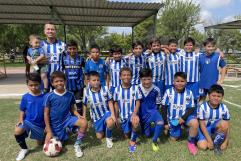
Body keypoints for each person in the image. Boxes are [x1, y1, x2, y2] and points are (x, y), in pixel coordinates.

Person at [44, 71, 88, 158]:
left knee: (84, 123)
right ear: (52, 83)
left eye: (61, 81)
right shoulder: (49, 96)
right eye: (56, 81)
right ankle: (68, 131)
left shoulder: (70, 94)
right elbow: (46, 114)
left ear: (65, 81)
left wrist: (78, 115)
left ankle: (77, 145)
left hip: (67, 119)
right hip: (55, 124)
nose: (59, 83)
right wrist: (49, 130)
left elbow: (72, 109)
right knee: (56, 143)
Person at [161, 72, 199, 155]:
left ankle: (191, 142)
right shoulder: (168, 92)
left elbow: (191, 108)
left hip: (184, 118)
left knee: (195, 123)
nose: (180, 83)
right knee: (174, 139)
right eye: (177, 81)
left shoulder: (189, 93)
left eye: (182, 81)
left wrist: (183, 118)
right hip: (173, 119)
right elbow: (163, 108)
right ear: (173, 82)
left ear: (186, 82)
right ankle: (171, 129)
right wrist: (165, 123)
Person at [14, 73, 45, 161]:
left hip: (40, 125)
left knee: (39, 144)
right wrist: (21, 119)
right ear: (27, 85)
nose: (33, 87)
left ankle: (41, 135)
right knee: (17, 131)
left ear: (40, 83)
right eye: (31, 85)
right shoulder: (25, 97)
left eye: (36, 85)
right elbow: (22, 110)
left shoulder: (45, 96)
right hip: (28, 121)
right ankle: (24, 149)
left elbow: (48, 112)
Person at [82, 71, 116, 148]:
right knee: (99, 137)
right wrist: (84, 116)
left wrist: (113, 115)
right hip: (96, 117)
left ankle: (108, 137)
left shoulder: (105, 89)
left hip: (106, 113)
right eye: (94, 80)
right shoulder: (86, 92)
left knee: (110, 122)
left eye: (98, 80)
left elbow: (110, 101)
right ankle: (103, 127)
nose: (96, 82)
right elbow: (84, 104)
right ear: (89, 82)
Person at [113, 67, 140, 153]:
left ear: (131, 77)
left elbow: (138, 102)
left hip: (132, 115)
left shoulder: (135, 88)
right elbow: (116, 104)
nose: (126, 77)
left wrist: (134, 114)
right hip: (123, 116)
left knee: (135, 122)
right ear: (120, 77)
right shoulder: (117, 89)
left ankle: (132, 142)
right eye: (124, 75)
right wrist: (116, 117)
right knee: (126, 136)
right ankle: (129, 131)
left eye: (128, 75)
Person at [197, 84, 230, 155]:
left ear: (222, 97)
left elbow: (227, 126)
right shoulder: (202, 107)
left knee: (224, 123)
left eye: (219, 96)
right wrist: (209, 141)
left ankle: (217, 143)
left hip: (215, 128)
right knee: (203, 146)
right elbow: (202, 126)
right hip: (205, 128)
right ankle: (205, 138)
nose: (216, 98)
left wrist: (225, 141)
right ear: (209, 96)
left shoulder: (224, 108)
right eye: (213, 96)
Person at [138, 68, 164, 152]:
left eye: (149, 79)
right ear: (140, 79)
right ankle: (151, 127)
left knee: (160, 122)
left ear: (152, 78)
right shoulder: (136, 88)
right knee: (147, 135)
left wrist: (154, 113)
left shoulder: (156, 89)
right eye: (144, 79)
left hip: (152, 112)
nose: (147, 82)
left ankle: (154, 141)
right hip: (142, 115)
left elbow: (158, 103)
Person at [199, 38, 226, 103]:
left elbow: (224, 66)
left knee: (213, 101)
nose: (211, 48)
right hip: (202, 83)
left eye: (213, 46)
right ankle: (200, 112)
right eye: (209, 46)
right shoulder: (200, 56)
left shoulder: (217, 56)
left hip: (213, 84)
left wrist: (221, 79)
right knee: (201, 100)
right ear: (204, 47)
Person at [63, 40, 85, 114]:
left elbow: (86, 69)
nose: (72, 50)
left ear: (77, 49)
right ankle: (71, 118)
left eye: (74, 48)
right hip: (68, 85)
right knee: (69, 103)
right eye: (70, 48)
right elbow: (61, 70)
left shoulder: (81, 59)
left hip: (79, 85)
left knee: (79, 103)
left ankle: (80, 119)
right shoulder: (64, 59)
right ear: (67, 49)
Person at [179, 37, 200, 105]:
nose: (188, 47)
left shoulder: (197, 54)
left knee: (194, 99)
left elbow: (209, 51)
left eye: (190, 45)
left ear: (193, 46)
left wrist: (219, 52)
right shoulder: (180, 53)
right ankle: (183, 114)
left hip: (194, 82)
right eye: (187, 45)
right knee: (183, 99)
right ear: (184, 46)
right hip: (183, 82)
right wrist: (164, 48)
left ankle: (194, 114)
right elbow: (170, 47)